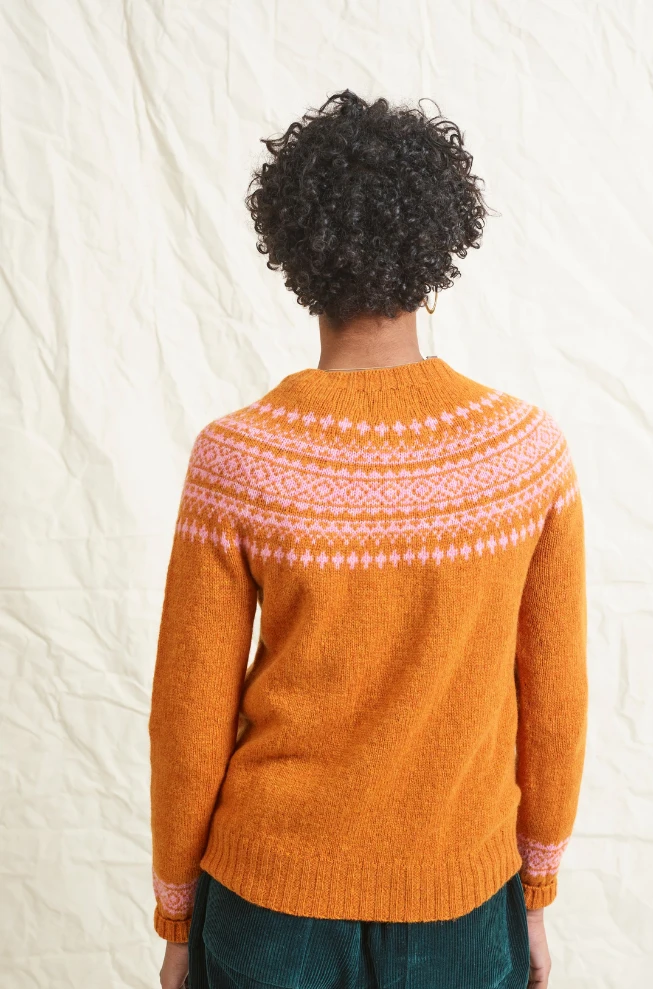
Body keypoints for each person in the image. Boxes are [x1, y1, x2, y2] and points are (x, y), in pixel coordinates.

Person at [149, 89, 588, 989]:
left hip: (268, 905)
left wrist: (178, 918)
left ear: (297, 258)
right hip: (463, 902)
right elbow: (556, 700)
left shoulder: (237, 457)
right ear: (437, 256)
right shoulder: (527, 454)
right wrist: (536, 893)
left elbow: (187, 715)